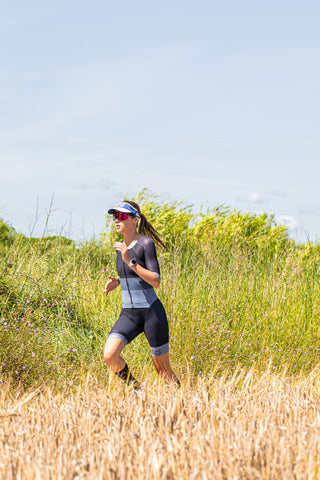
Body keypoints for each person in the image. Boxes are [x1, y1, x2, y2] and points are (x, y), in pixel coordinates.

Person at [103, 200, 180, 388]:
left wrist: (129, 261)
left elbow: (155, 280)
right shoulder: (120, 247)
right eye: (114, 217)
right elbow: (133, 275)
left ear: (135, 219)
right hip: (129, 314)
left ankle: (181, 404)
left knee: (163, 371)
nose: (116, 220)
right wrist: (118, 282)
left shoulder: (145, 243)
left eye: (121, 216)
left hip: (150, 313)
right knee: (110, 355)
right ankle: (137, 390)